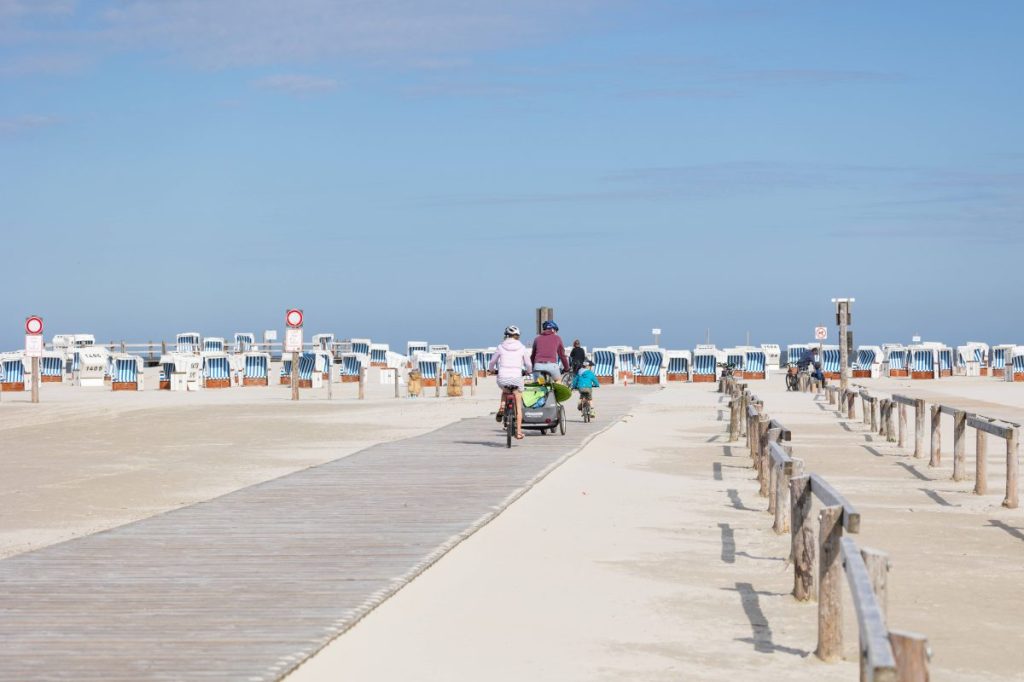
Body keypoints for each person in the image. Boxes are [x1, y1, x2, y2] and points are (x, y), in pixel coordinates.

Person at [488, 325, 532, 440]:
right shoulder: (522, 347)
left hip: (503, 377)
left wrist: (492, 370)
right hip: (517, 378)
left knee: (505, 390)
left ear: (506, 335)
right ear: (517, 336)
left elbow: (492, 361)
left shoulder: (501, 346)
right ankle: (518, 433)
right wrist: (528, 372)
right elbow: (528, 364)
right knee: (518, 404)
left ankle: (502, 406)